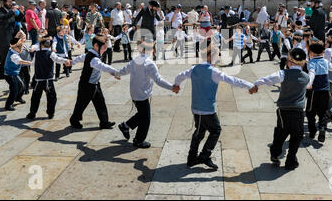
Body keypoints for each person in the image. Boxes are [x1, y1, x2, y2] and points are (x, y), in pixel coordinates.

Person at [173, 40, 255, 170]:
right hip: (206, 109)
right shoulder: (213, 72)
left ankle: (192, 158)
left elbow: (179, 76)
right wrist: (250, 85)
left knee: (199, 132)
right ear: (210, 56)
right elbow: (233, 80)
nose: (218, 58)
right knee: (215, 130)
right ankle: (204, 155)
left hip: (196, 108)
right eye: (217, 55)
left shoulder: (194, 69)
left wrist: (176, 85)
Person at [249, 48, 309, 170]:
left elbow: (266, 79)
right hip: (298, 110)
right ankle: (291, 160)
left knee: (281, 132)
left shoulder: (283, 74)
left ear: (289, 62)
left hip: (284, 110)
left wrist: (255, 84)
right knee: (297, 135)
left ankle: (275, 154)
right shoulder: (306, 77)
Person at [116, 39, 175, 148]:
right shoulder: (149, 63)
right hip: (142, 95)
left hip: (134, 93)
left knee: (142, 114)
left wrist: (117, 74)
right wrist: (172, 87)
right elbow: (159, 80)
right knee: (145, 119)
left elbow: (124, 70)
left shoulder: (135, 60)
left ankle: (126, 125)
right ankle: (139, 140)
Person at [69, 35, 119, 130]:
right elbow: (103, 66)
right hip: (86, 85)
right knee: (81, 103)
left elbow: (81, 57)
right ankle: (74, 119)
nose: (105, 50)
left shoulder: (91, 54)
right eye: (104, 48)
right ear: (96, 46)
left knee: (100, 102)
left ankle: (104, 122)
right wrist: (116, 72)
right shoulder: (94, 59)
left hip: (95, 84)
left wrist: (72, 62)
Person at [27, 35, 71, 120]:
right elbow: (58, 59)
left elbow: (32, 63)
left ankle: (32, 113)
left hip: (38, 80)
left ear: (41, 44)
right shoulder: (51, 53)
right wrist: (66, 60)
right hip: (48, 80)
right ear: (50, 45)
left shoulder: (37, 53)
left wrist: (24, 62)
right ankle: (50, 113)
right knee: (51, 97)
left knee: (35, 97)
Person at [305, 40, 332, 143]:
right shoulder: (325, 62)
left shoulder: (311, 62)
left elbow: (312, 73)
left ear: (311, 52)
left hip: (314, 91)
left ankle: (312, 131)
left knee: (310, 112)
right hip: (325, 90)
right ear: (322, 52)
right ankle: (322, 128)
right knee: (322, 112)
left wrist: (309, 83)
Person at [4, 36, 32, 111]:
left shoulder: (12, 49)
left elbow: (13, 42)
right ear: (16, 47)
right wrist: (31, 63)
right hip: (10, 75)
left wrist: (20, 39)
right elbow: (21, 61)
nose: (22, 48)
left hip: (15, 74)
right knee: (14, 89)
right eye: (20, 47)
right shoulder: (13, 55)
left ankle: (18, 98)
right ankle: (8, 104)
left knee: (22, 86)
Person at [0, 0, 17, 79]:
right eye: (9, 1)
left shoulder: (10, 11)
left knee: (11, 53)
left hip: (12, 35)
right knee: (4, 54)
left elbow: (16, 20)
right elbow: (3, 20)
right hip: (3, 36)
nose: (11, 3)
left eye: (11, 2)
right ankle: (2, 73)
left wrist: (21, 13)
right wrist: (11, 14)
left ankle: (9, 71)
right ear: (4, 2)